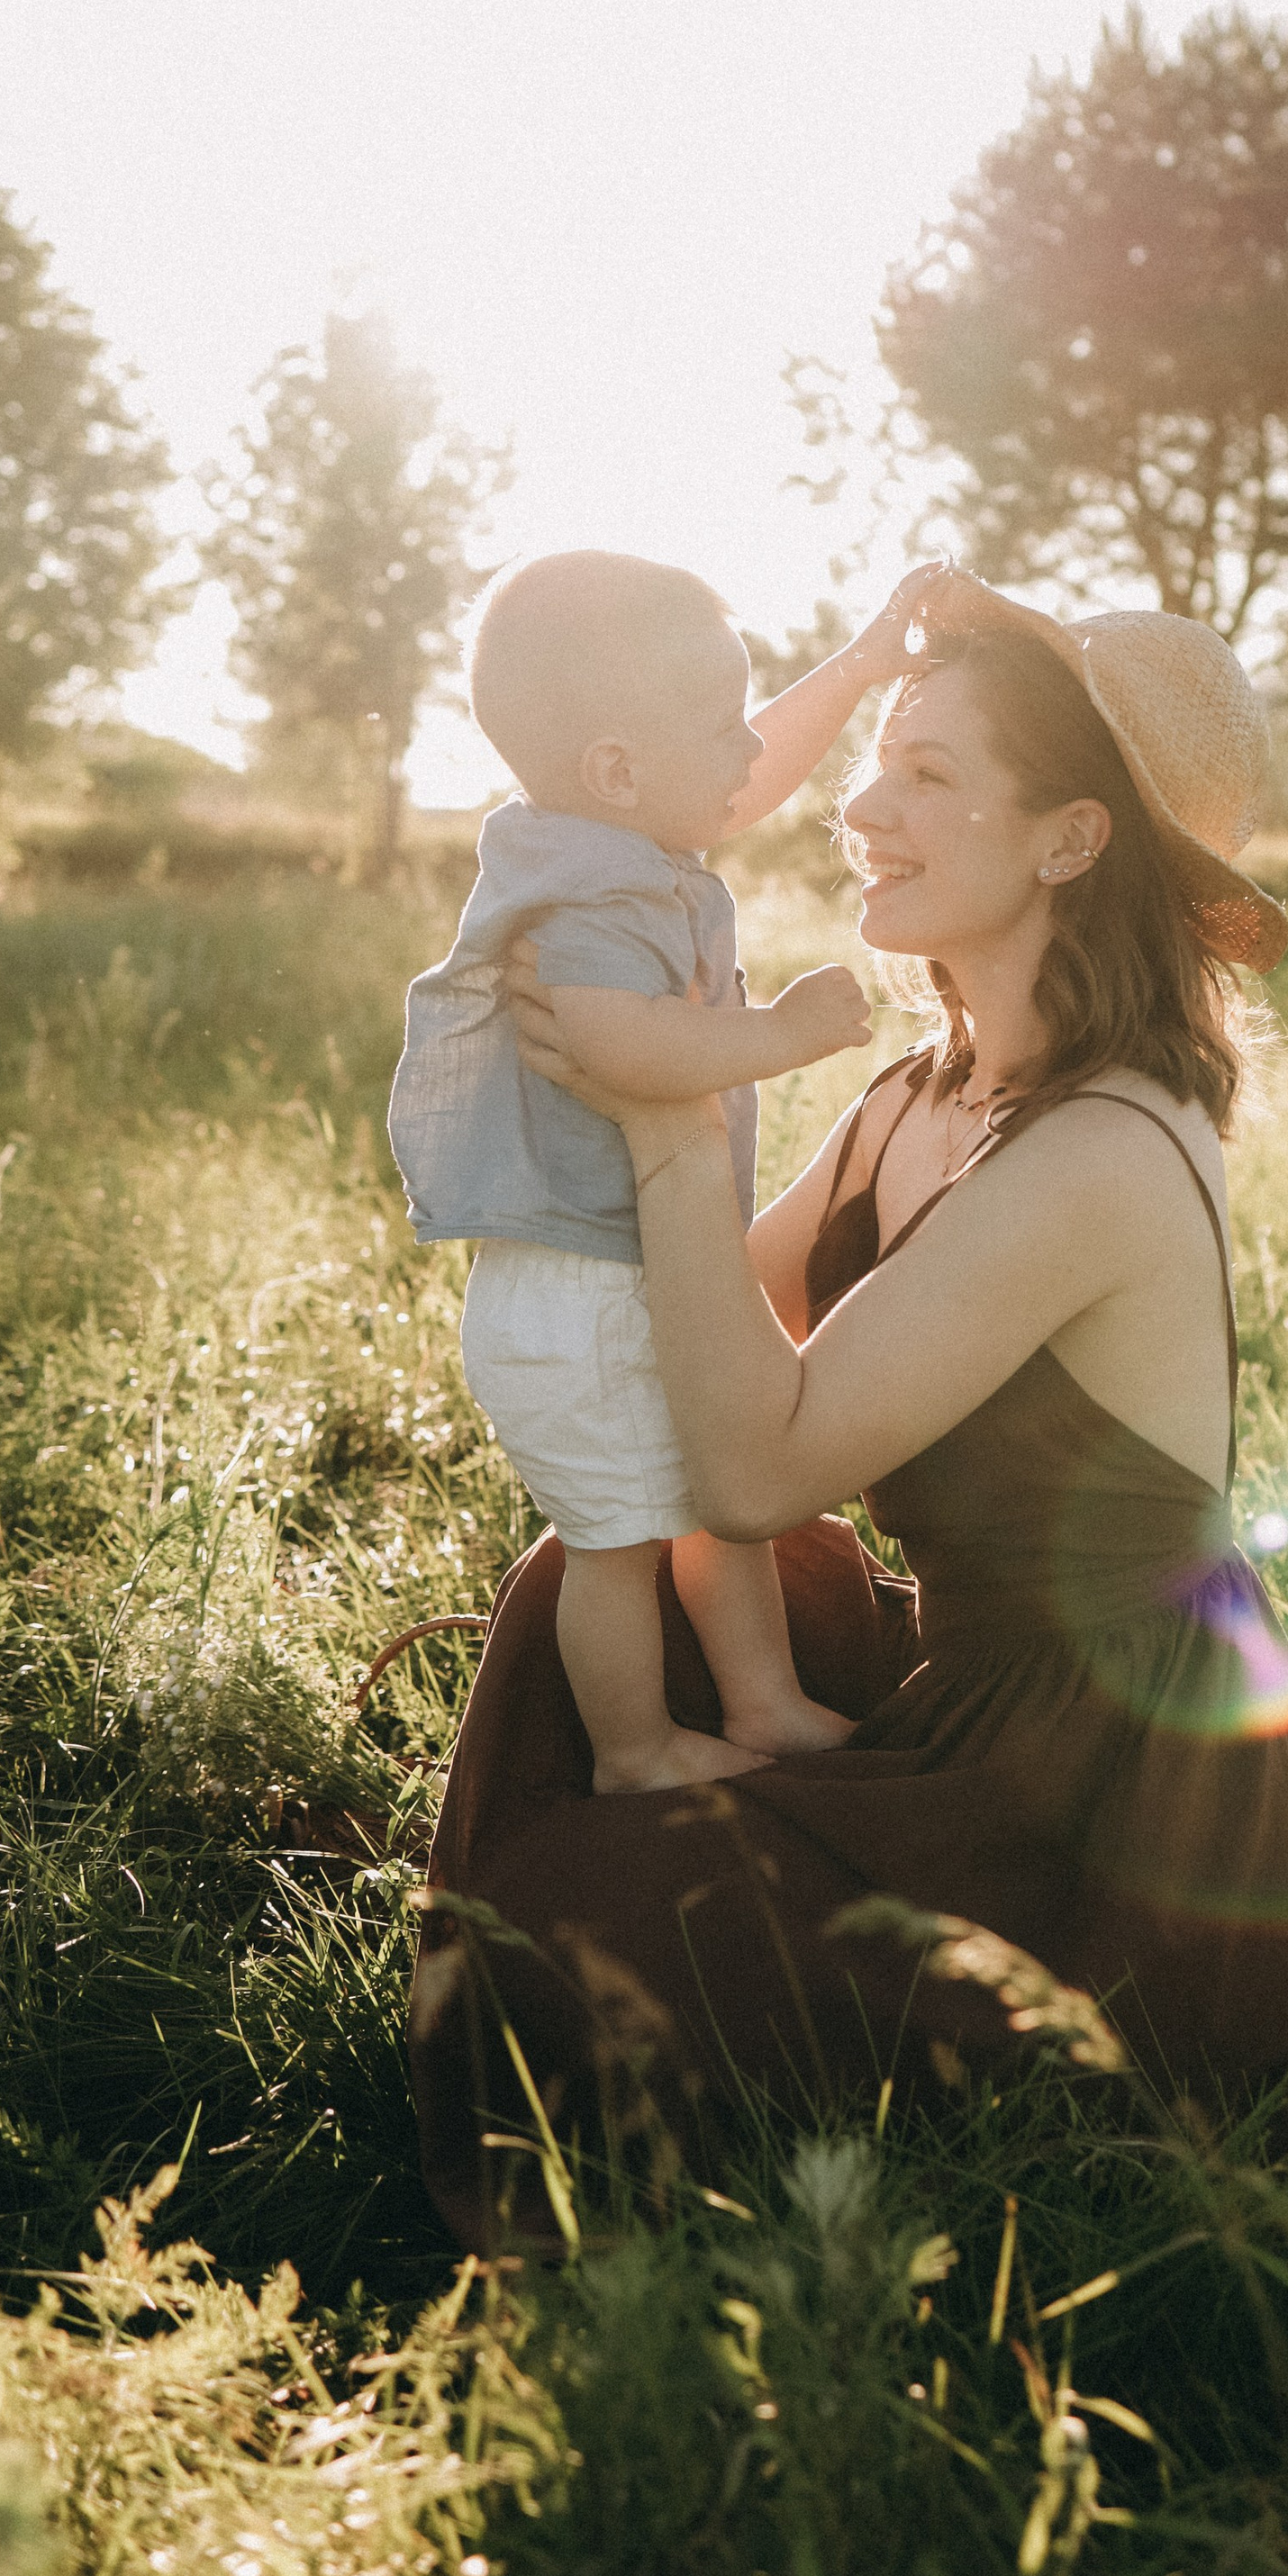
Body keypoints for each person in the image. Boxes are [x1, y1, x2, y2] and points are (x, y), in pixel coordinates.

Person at [411, 569, 1288, 2245]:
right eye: (875, 761)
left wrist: (668, 1124)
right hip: (971, 1684)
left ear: (1070, 842)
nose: (860, 808)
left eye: (927, 774)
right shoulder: (918, 1092)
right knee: (579, 1583)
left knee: (580, 1930)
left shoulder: (1103, 1149)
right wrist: (599, 1057)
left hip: (1108, 1797)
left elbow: (751, 1463)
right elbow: (702, 1349)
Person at [389, 550, 931, 1793]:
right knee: (619, 1543)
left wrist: (859, 665)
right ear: (620, 771)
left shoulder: (619, 832)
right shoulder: (586, 893)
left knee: (712, 1498)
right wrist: (781, 1034)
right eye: (721, 721)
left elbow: (750, 771)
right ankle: (634, 1751)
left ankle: (765, 1703)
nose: (750, 748)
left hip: (622, 1271)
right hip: (578, 1294)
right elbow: (617, 1047)